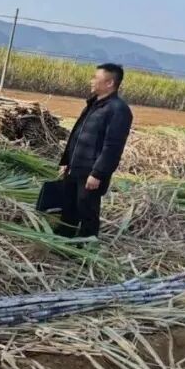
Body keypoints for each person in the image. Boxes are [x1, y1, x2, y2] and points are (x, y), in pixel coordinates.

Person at [56, 63, 133, 239]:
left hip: (91, 173)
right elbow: (78, 134)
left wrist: (98, 174)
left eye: (96, 78)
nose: (92, 81)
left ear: (110, 83)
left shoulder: (118, 110)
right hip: (75, 167)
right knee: (69, 207)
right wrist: (66, 161)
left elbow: (113, 147)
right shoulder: (93, 104)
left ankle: (86, 245)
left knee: (87, 211)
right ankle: (62, 241)